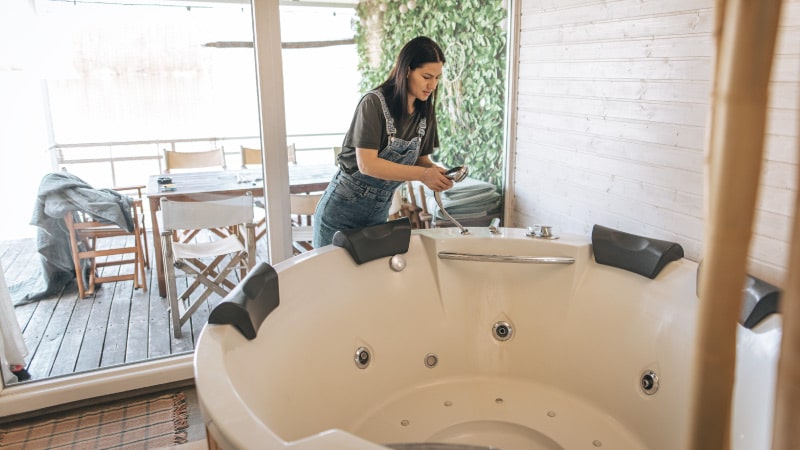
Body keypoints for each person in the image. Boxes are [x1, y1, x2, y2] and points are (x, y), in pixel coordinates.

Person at [313, 36, 453, 247]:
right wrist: (423, 175)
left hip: (378, 214)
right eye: (426, 76)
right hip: (340, 213)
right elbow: (367, 164)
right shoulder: (373, 103)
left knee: (369, 280)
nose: (432, 85)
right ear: (407, 70)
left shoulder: (425, 114)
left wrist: (438, 173)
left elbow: (421, 160)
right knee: (331, 280)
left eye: (437, 78)